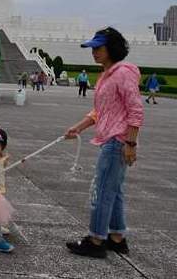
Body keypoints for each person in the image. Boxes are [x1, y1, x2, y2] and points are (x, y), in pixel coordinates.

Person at [65, 27, 143, 258]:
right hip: (112, 139)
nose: (94, 52)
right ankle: (117, 237)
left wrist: (131, 143)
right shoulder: (106, 74)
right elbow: (101, 111)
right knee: (114, 190)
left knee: (102, 190)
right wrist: (78, 127)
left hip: (118, 141)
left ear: (112, 48)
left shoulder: (123, 73)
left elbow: (135, 109)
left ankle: (96, 240)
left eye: (99, 48)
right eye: (93, 48)